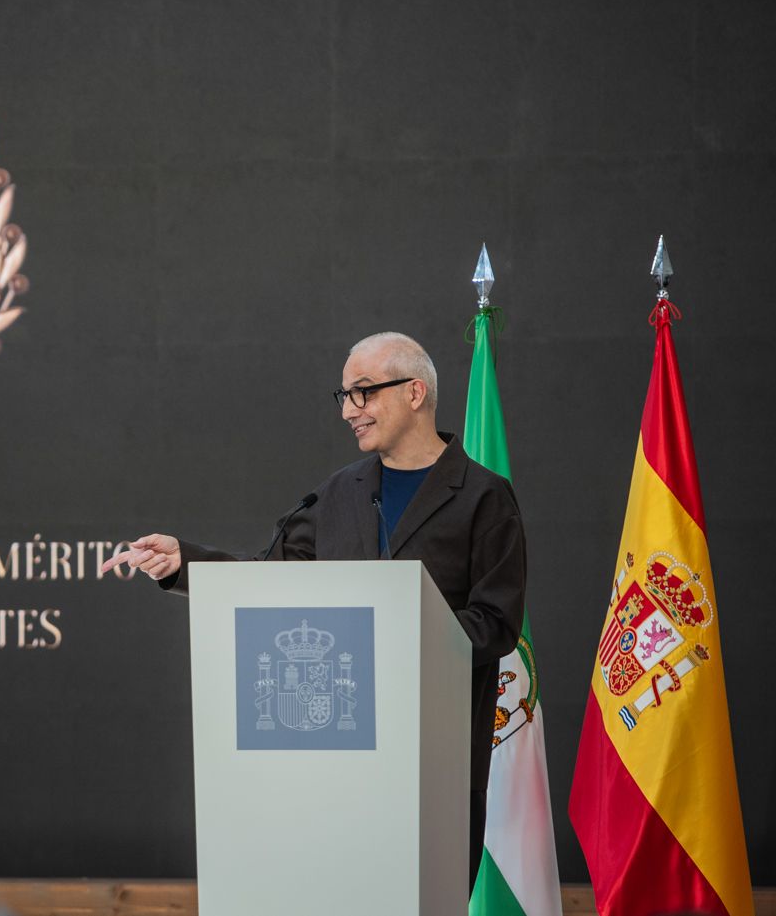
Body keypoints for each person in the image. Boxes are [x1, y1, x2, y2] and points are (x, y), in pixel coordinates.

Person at [102, 331, 525, 894]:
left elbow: (495, 624)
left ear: (415, 392)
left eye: (364, 393)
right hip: (337, 771)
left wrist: (403, 630)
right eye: (345, 396)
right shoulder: (335, 494)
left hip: (436, 766)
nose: (350, 410)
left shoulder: (482, 495)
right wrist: (185, 564)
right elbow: (269, 581)